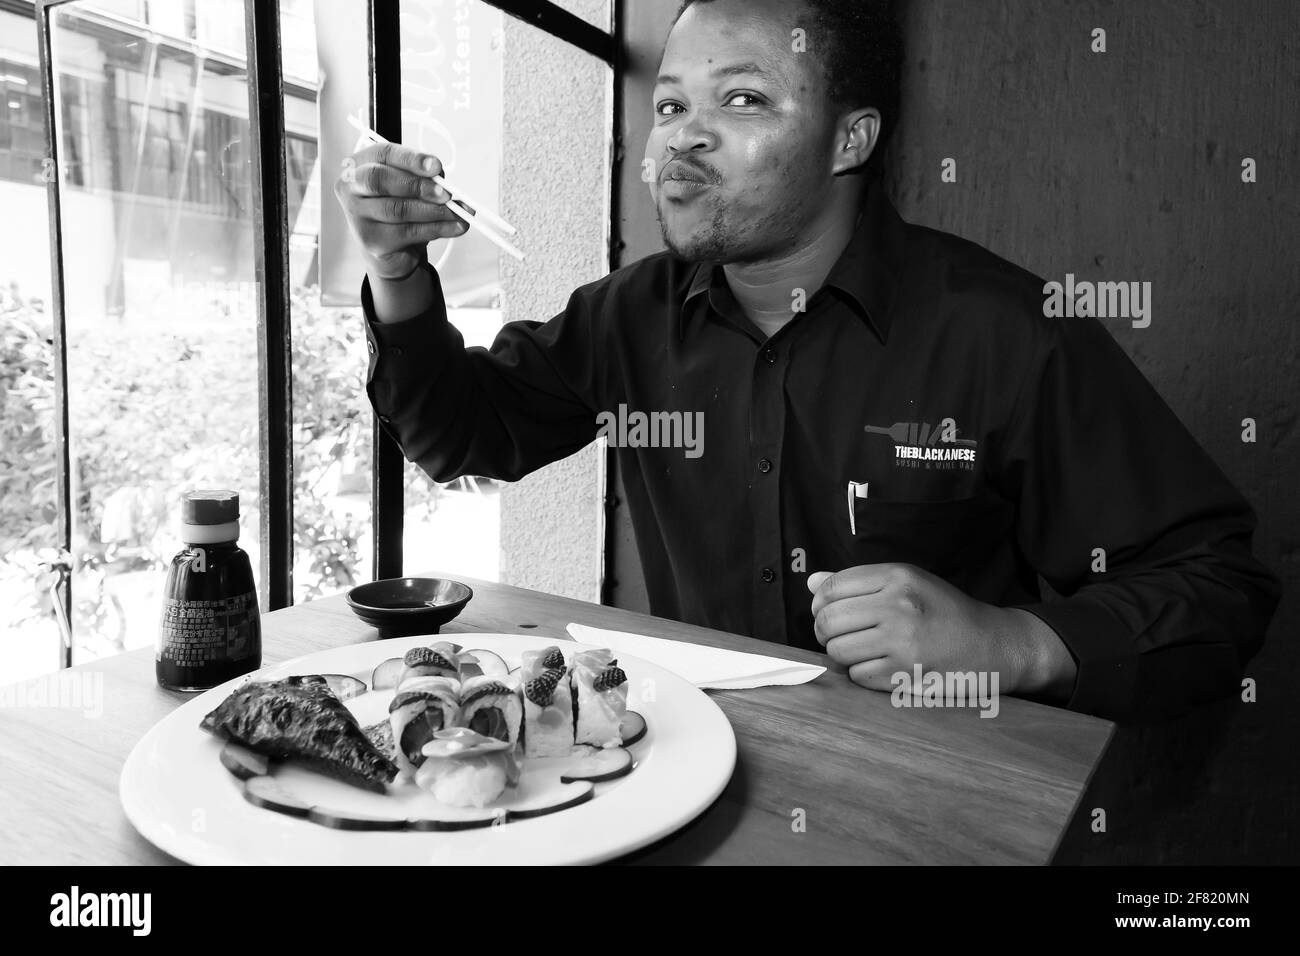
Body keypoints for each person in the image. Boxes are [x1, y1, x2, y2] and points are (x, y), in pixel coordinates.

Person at [333, 0, 1280, 722]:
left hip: (932, 781)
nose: (680, 136)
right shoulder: (630, 314)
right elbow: (463, 435)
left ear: (851, 138)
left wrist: (1016, 642)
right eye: (669, 103)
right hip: (690, 759)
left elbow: (1219, 586)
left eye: (741, 98)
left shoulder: (1007, 330)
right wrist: (399, 269)